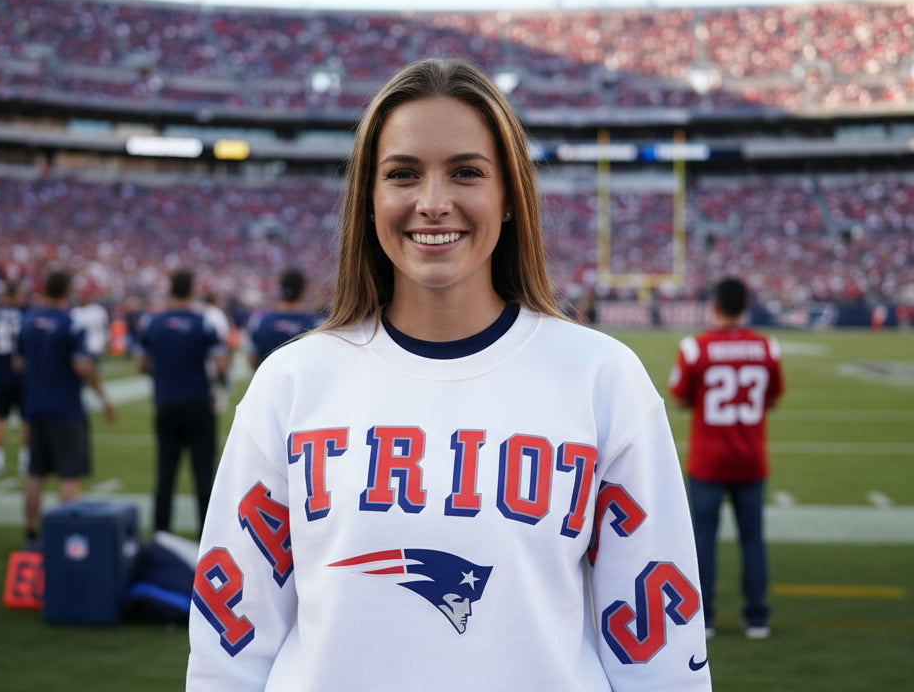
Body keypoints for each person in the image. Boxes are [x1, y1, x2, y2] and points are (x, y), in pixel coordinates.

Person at [185, 58, 711, 691]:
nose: (433, 203)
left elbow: (660, 652)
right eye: (402, 175)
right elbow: (230, 648)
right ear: (368, 199)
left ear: (510, 197)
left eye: (466, 173)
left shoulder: (602, 380)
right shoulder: (293, 383)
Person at [668, 277, 784, 640]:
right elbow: (772, 398)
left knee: (702, 538)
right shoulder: (767, 347)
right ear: (746, 306)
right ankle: (757, 618)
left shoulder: (694, 348)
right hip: (750, 457)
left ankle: (703, 619)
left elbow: (681, 398)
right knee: (753, 539)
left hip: (708, 460)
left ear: (714, 306)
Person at [17, 270, 116, 550]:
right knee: (69, 475)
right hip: (65, 408)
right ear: (67, 291)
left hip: (35, 407)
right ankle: (70, 538)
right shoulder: (71, 324)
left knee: (35, 474)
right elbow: (82, 365)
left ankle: (31, 534)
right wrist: (103, 396)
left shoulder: (29, 322)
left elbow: (18, 363)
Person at [136, 269, 226, 533]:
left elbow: (140, 363)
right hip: (198, 404)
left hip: (166, 404)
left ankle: (161, 535)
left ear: (170, 289)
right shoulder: (203, 323)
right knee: (203, 478)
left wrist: (165, 371)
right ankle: (207, 539)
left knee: (165, 475)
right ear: (192, 290)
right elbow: (220, 365)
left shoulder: (152, 323)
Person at [0, 281, 30, 478]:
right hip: (22, 374)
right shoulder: (26, 315)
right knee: (26, 419)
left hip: (1, 372)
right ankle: (26, 460)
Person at [247, 267, 319, 369]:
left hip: (270, 381)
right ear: (303, 290)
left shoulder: (261, 322)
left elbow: (252, 359)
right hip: (303, 382)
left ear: (281, 288)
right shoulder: (314, 324)